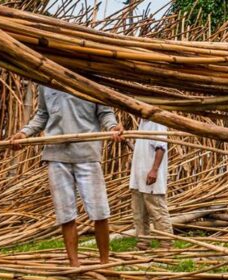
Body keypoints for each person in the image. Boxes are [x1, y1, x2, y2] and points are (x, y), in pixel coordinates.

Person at [11, 86, 124, 265]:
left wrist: (113, 126)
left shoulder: (87, 81)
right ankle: (74, 264)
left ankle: (105, 262)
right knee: (66, 213)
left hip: (87, 153)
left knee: (100, 210)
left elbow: (105, 112)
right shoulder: (45, 83)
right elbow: (42, 114)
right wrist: (24, 133)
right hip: (56, 154)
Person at [129, 119, 172, 250]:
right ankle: (142, 243)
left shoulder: (157, 121)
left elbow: (161, 147)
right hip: (139, 176)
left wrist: (154, 170)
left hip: (150, 176)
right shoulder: (143, 122)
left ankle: (166, 245)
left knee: (157, 211)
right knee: (139, 213)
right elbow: (145, 148)